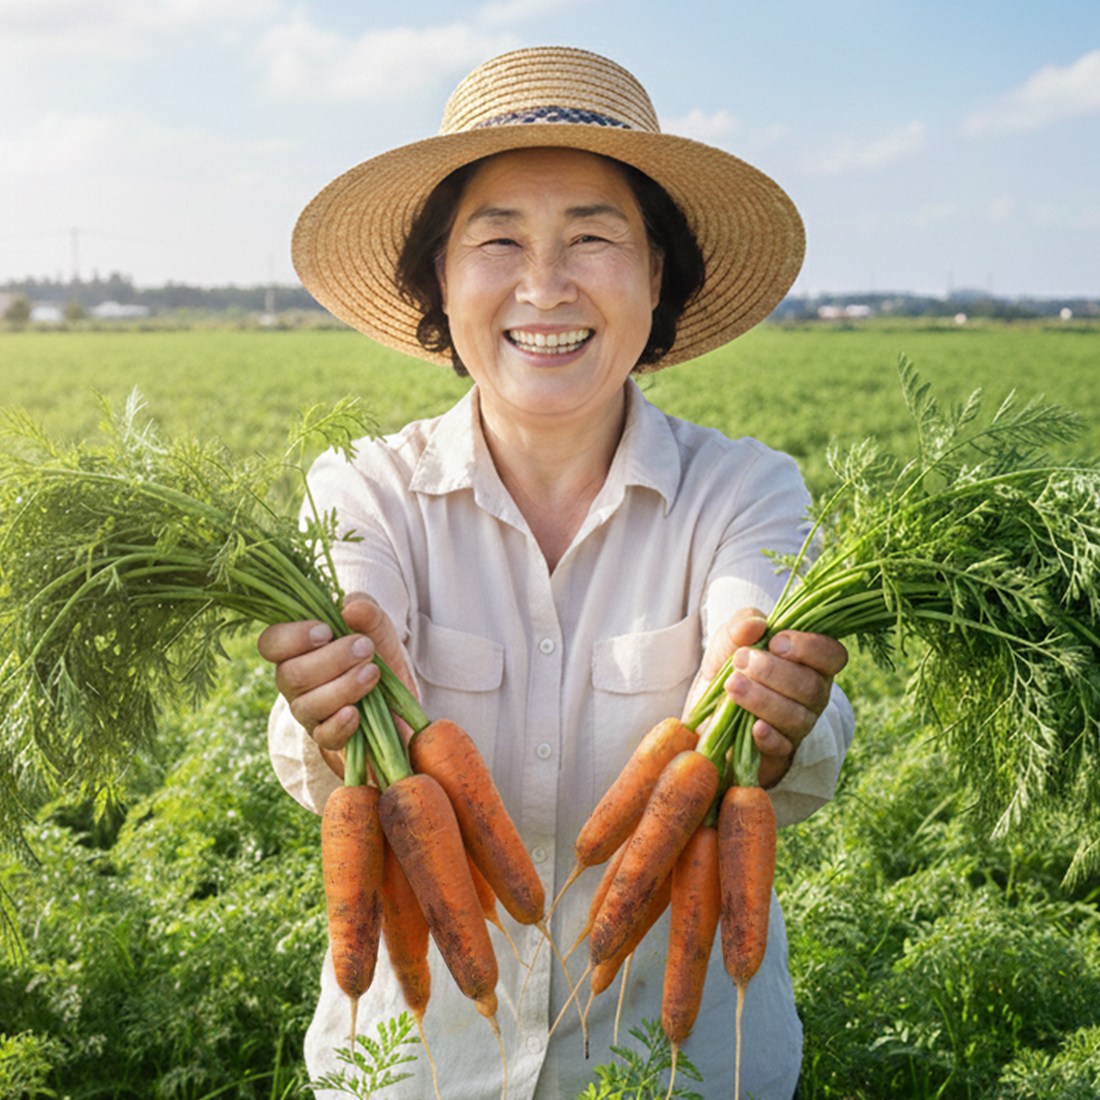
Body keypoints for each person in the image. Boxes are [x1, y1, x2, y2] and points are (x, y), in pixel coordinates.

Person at [258, 45, 853, 1100]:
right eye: (496, 240)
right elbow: (348, 629)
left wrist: (771, 690)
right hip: (414, 1074)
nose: (543, 284)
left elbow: (756, 629)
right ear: (439, 279)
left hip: (680, 1070)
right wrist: (330, 692)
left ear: (656, 272)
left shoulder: (745, 492)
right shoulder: (362, 490)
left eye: (591, 235)